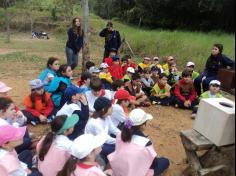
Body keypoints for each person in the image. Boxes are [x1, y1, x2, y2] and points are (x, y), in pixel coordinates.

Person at [108, 108, 169, 176]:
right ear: (142, 126)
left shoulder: (120, 135)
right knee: (165, 161)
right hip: (133, 172)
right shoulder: (145, 143)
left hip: (118, 169)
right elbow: (154, 164)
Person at [85, 97, 120, 161]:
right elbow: (105, 139)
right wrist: (119, 140)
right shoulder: (95, 122)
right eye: (110, 107)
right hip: (96, 146)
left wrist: (122, 135)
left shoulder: (106, 116)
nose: (112, 108)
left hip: (103, 141)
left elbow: (113, 129)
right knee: (118, 149)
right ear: (104, 109)